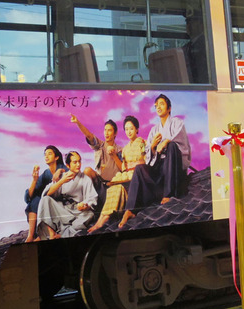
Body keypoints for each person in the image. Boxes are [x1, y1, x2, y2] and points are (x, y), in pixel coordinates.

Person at [118, 94, 192, 227]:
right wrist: (152, 147)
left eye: (162, 104)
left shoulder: (177, 123)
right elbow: (148, 157)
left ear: (169, 108)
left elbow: (181, 144)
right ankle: (130, 209)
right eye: (156, 105)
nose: (158, 107)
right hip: (160, 173)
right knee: (140, 168)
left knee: (172, 146)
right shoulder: (154, 130)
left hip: (173, 171)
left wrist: (167, 142)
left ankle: (169, 194)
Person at [88, 115, 146, 233]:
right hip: (126, 177)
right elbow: (123, 168)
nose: (129, 132)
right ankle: (101, 220)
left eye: (131, 128)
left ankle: (103, 221)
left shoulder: (142, 143)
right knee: (114, 189)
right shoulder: (124, 149)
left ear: (137, 129)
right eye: (127, 129)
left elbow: (146, 161)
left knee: (118, 188)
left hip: (137, 178)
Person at [36, 150, 99, 239]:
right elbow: (47, 194)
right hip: (63, 210)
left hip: (78, 211)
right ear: (68, 165)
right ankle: (51, 234)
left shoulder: (85, 178)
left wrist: (85, 206)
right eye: (75, 162)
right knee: (45, 200)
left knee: (89, 214)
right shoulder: (62, 176)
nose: (78, 164)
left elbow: (92, 198)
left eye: (79, 161)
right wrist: (61, 181)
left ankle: (62, 235)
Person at [70, 115, 122, 212]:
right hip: (99, 184)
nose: (106, 133)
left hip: (113, 184)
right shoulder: (99, 145)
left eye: (109, 130)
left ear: (115, 133)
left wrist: (114, 155)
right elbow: (89, 135)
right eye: (105, 130)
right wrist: (77, 122)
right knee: (87, 170)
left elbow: (123, 169)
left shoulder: (120, 150)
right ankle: (85, 202)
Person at [24, 145, 66, 242]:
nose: (46, 156)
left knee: (44, 200)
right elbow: (28, 198)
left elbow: (70, 171)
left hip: (61, 204)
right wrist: (34, 180)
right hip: (46, 204)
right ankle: (30, 235)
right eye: (45, 154)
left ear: (56, 157)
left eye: (50, 154)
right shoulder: (46, 174)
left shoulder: (62, 168)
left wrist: (60, 170)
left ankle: (44, 234)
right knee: (35, 200)